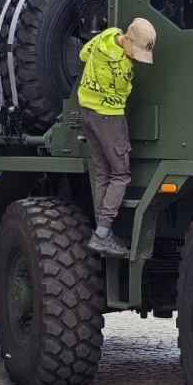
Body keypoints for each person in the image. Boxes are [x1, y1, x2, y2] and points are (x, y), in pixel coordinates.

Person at [78, 17, 156, 256]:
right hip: (109, 118)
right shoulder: (123, 66)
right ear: (128, 39)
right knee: (121, 174)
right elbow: (125, 91)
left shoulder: (107, 35)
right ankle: (103, 233)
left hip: (87, 112)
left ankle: (102, 231)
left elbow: (83, 54)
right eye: (137, 51)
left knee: (102, 173)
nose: (136, 58)